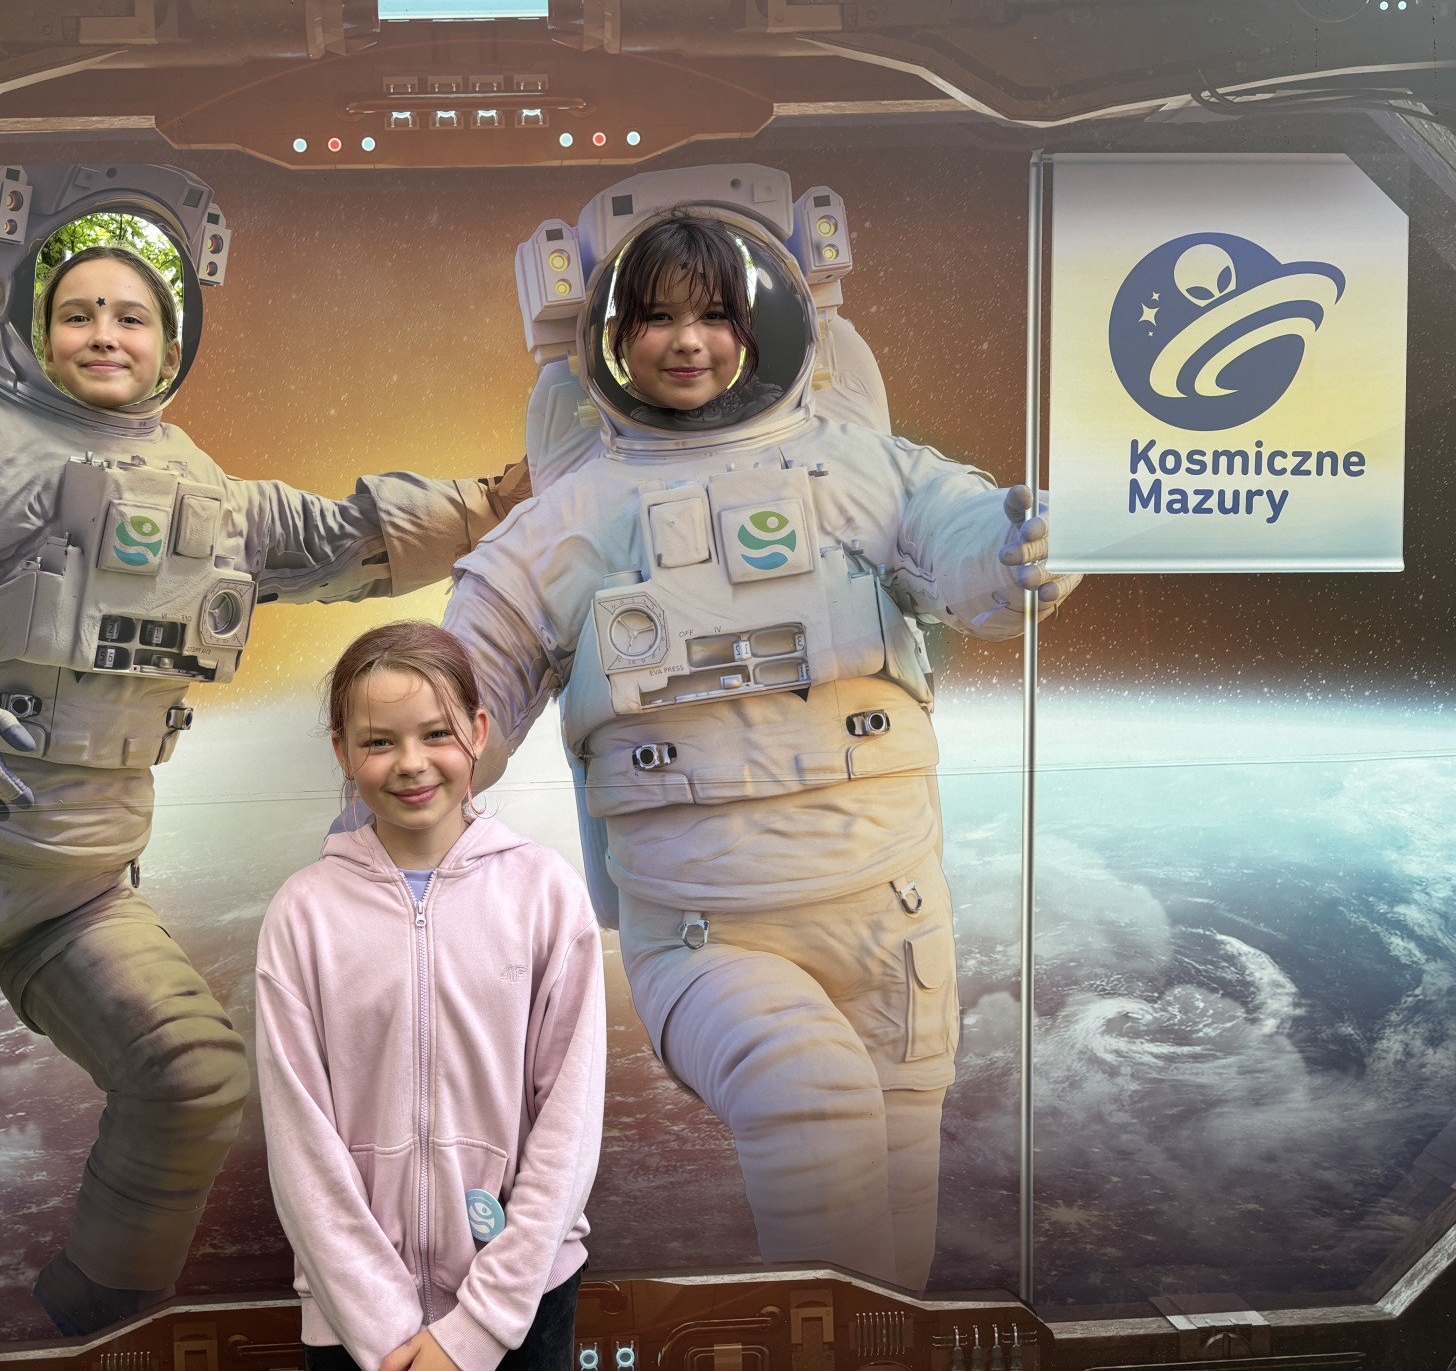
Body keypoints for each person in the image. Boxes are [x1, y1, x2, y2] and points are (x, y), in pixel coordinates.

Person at [0, 247, 525, 1369]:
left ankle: (94, 1329)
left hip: (74, 887)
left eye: (130, 316)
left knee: (192, 1082)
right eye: (77, 314)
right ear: (33, 332)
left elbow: (332, 538)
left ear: (172, 345)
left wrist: (491, 504)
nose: (105, 334)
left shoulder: (194, 480)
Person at [443, 210, 1075, 1292]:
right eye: (656, 319)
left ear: (755, 329)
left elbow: (964, 537)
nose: (686, 342)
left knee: (896, 1267)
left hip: (889, 926)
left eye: (711, 316)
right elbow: (459, 692)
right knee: (808, 1096)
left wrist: (1021, 548)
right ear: (613, 338)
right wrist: (377, 827)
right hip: (710, 934)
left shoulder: (862, 470)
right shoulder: (581, 514)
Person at [254, 622, 604, 1371]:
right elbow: (299, 1141)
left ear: (477, 732)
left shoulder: (546, 893)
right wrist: (384, 1330)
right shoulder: (303, 913)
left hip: (521, 1308)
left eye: (436, 733)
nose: (411, 764)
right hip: (357, 1328)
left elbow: (568, 1125)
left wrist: (476, 1328)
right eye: (379, 742)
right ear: (343, 751)